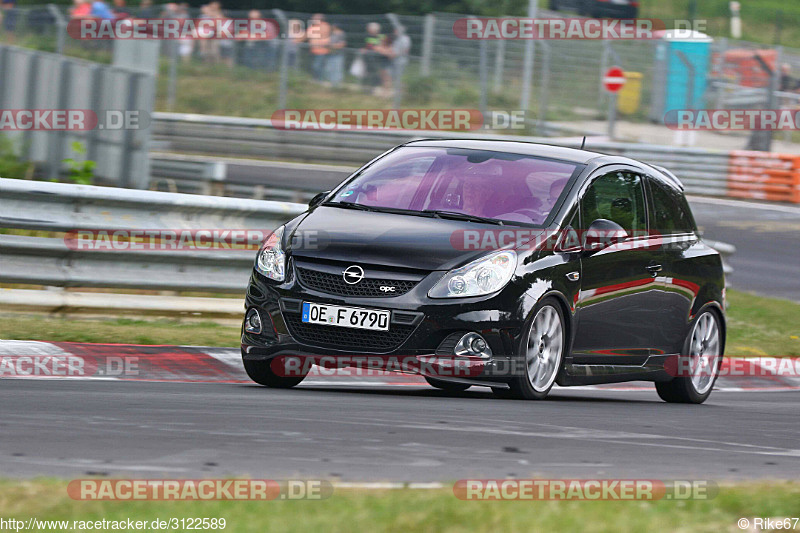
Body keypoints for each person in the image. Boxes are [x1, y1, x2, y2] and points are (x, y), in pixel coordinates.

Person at [307, 13, 331, 82]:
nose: (312, 20)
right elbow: (307, 35)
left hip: (321, 50)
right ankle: (315, 79)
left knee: (317, 66)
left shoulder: (325, 26)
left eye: (314, 18)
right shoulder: (312, 27)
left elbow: (323, 35)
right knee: (314, 66)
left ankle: (319, 80)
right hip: (313, 50)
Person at [391, 25, 411, 95]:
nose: (394, 31)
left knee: (399, 76)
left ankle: (400, 91)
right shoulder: (396, 39)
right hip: (394, 60)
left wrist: (396, 54)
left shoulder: (405, 39)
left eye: (396, 30)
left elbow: (405, 50)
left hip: (401, 60)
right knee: (394, 76)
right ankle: (397, 90)